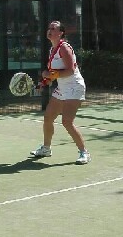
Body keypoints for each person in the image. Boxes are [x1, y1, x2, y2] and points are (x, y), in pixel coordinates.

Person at [29, 21, 91, 164]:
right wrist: (42, 83)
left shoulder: (64, 47)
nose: (49, 31)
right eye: (49, 28)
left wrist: (50, 75)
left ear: (61, 33)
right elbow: (54, 75)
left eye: (53, 28)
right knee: (48, 118)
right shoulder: (52, 50)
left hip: (74, 87)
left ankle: (84, 152)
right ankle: (46, 148)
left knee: (67, 121)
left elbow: (70, 70)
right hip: (62, 87)